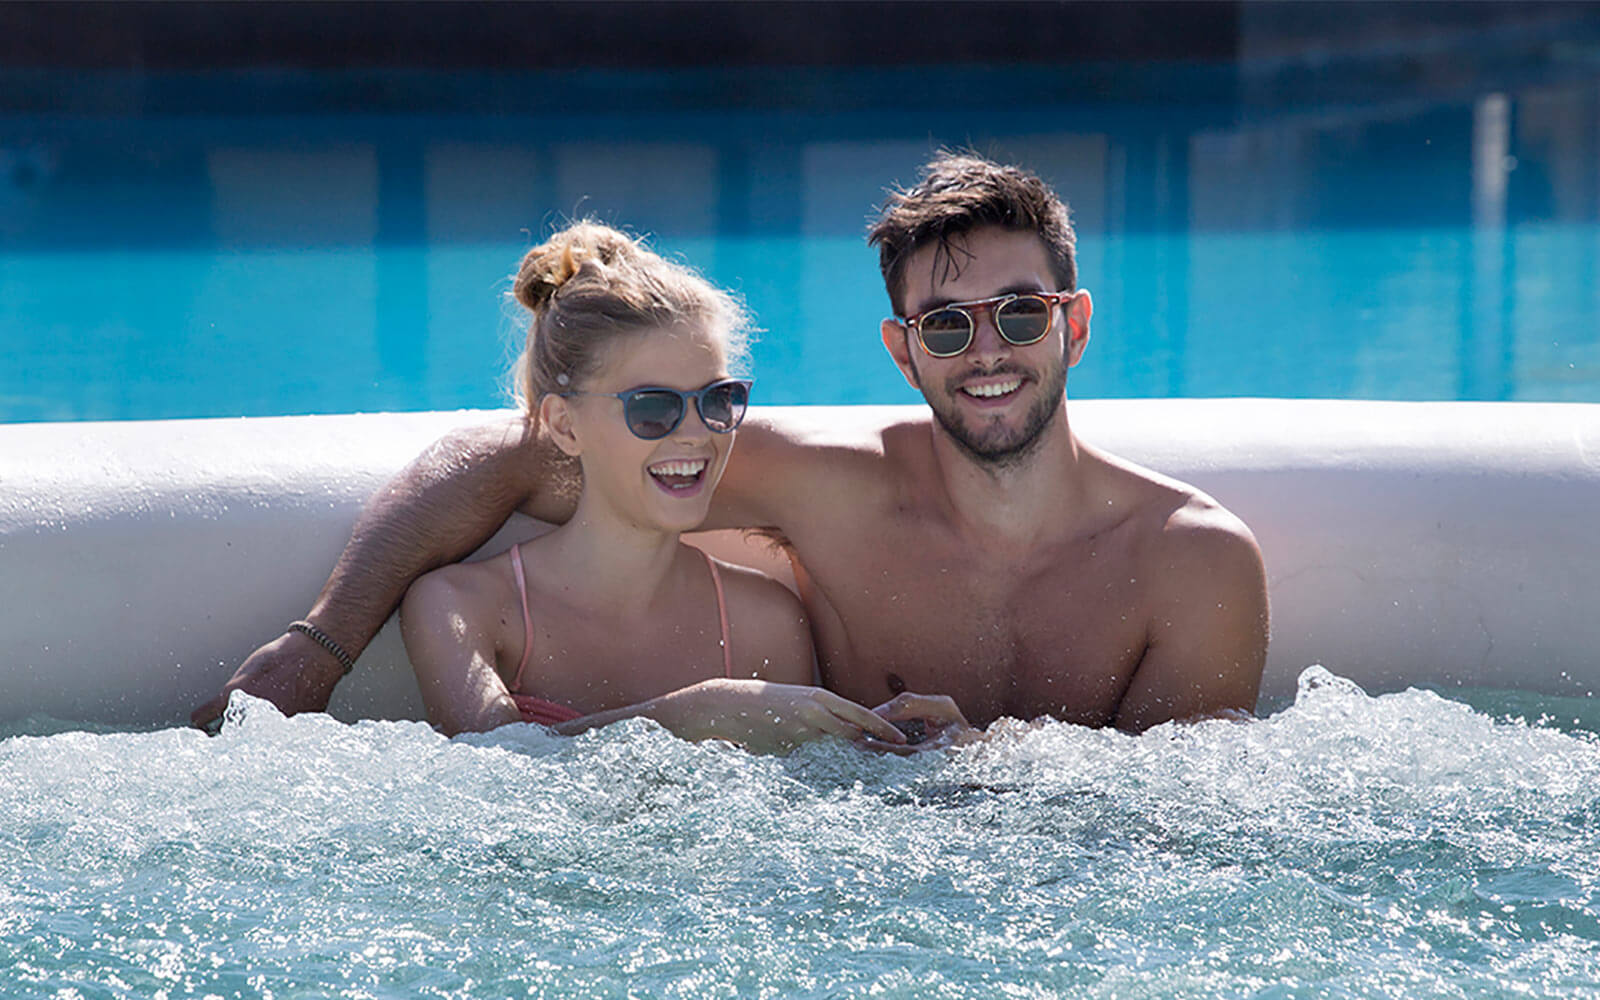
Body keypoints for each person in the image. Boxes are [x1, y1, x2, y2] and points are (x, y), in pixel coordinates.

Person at [193, 152, 1268, 738]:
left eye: (1020, 313)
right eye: (947, 324)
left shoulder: (1192, 564)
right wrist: (322, 645)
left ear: (1074, 324)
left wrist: (988, 775)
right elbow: (512, 454)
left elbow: (1160, 846)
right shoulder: (824, 492)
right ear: (902, 351)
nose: (986, 350)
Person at [391, 221, 911, 751]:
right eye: (653, 407)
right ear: (565, 426)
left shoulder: (764, 623)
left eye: (715, 400)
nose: (695, 435)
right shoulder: (461, 607)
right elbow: (495, 772)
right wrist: (689, 715)